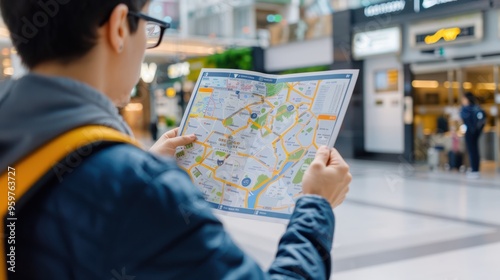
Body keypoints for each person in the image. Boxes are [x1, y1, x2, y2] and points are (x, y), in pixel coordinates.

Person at [0, 1, 351, 279]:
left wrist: (129, 165)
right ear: (120, 26)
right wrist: (316, 206)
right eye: (150, 27)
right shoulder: (142, 188)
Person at [460, 92, 485, 179]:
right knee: (474, 150)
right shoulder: (477, 108)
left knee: (472, 151)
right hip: (475, 133)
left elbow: (464, 120)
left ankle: (474, 170)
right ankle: (474, 169)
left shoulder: (466, 109)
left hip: (470, 132)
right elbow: (482, 121)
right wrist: (478, 131)